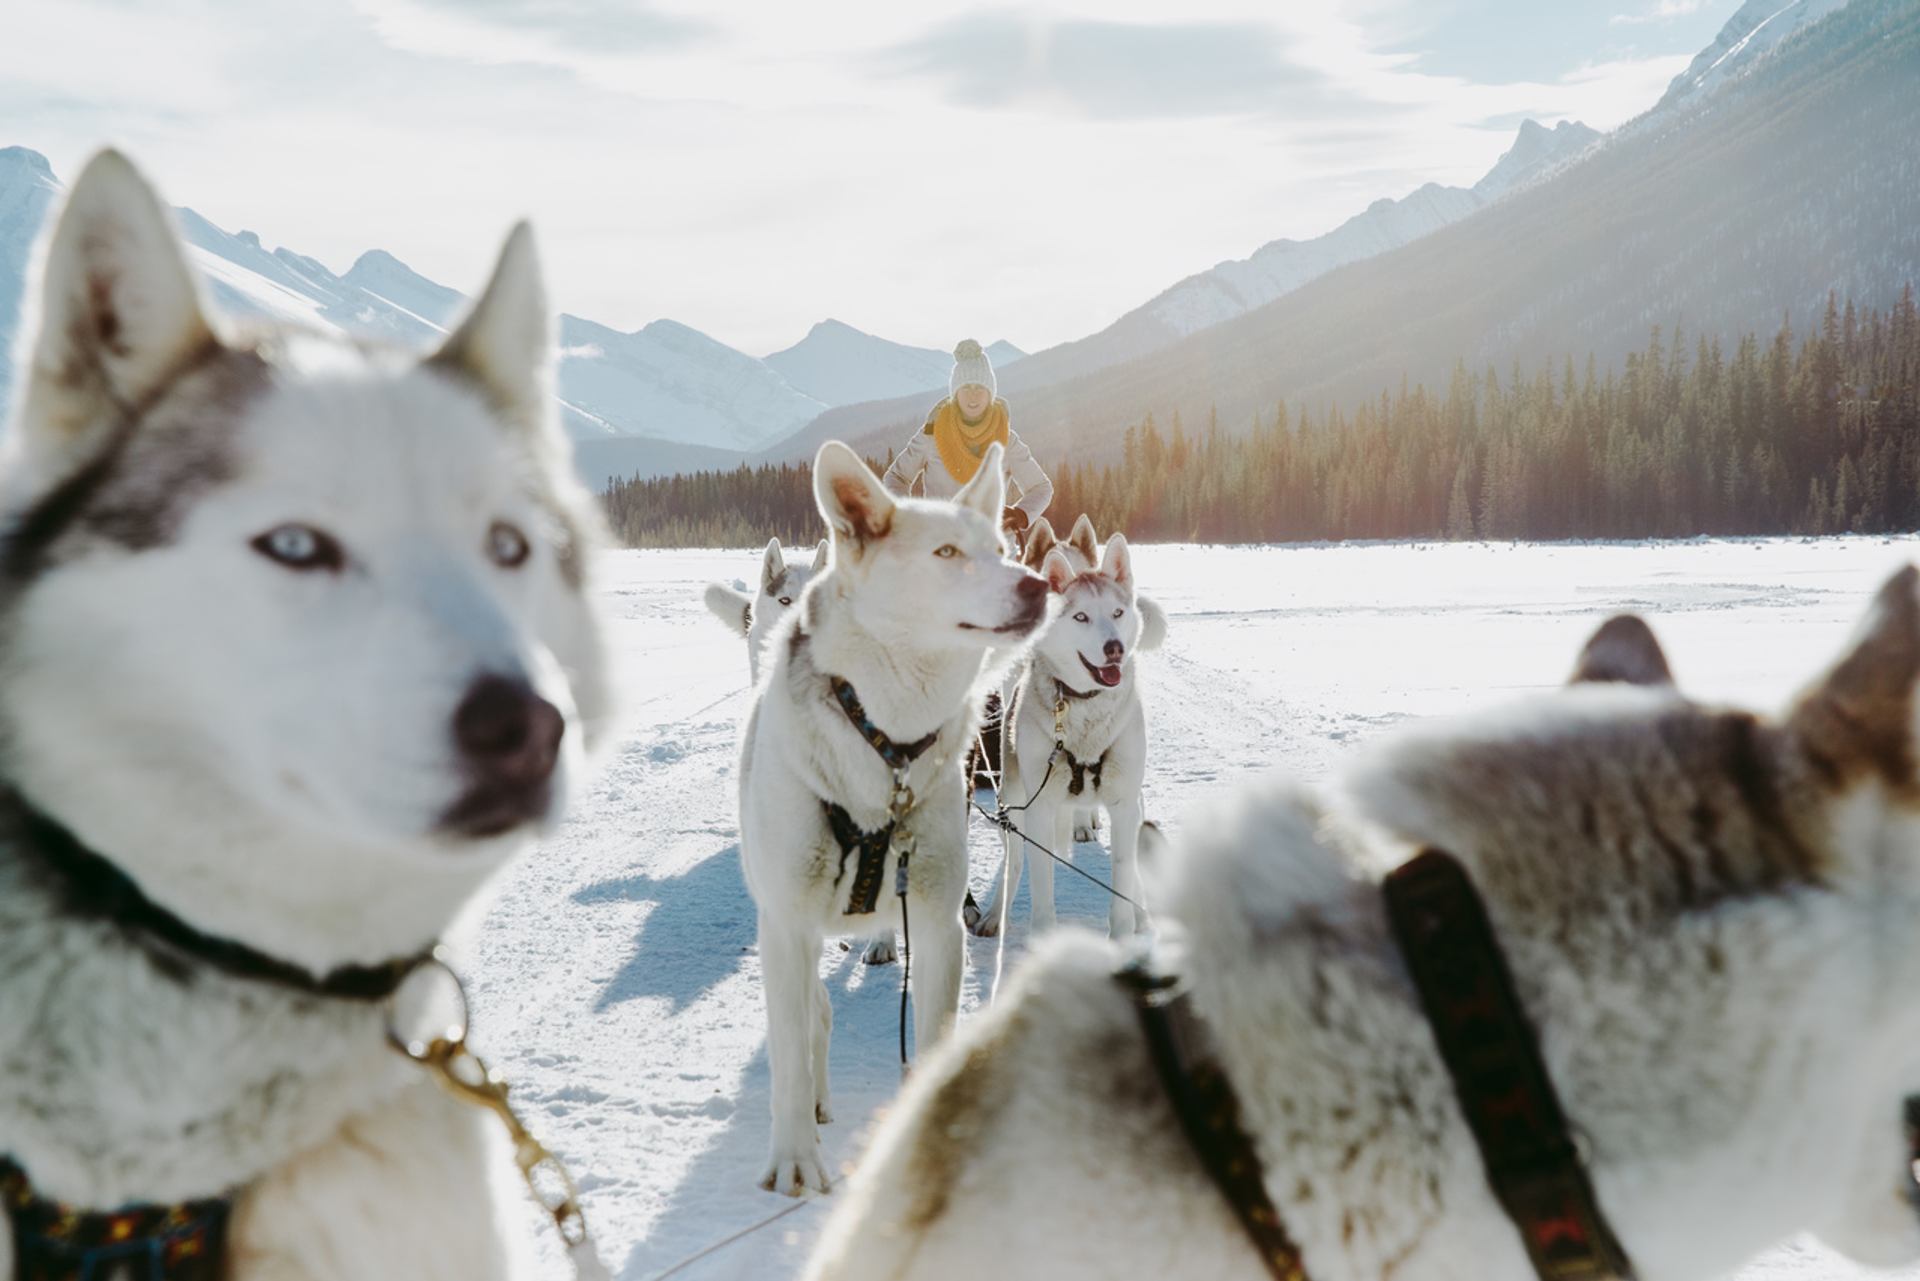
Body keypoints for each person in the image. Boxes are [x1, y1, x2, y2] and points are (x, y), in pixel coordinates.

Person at [883, 339, 1051, 536]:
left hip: (991, 549)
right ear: (955, 393)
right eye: (966, 388)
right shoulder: (932, 434)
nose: (973, 396)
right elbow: (896, 477)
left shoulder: (1006, 440)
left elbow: (1041, 487)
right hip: (941, 545)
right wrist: (910, 514)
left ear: (990, 393)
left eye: (979, 388)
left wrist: (1020, 514)